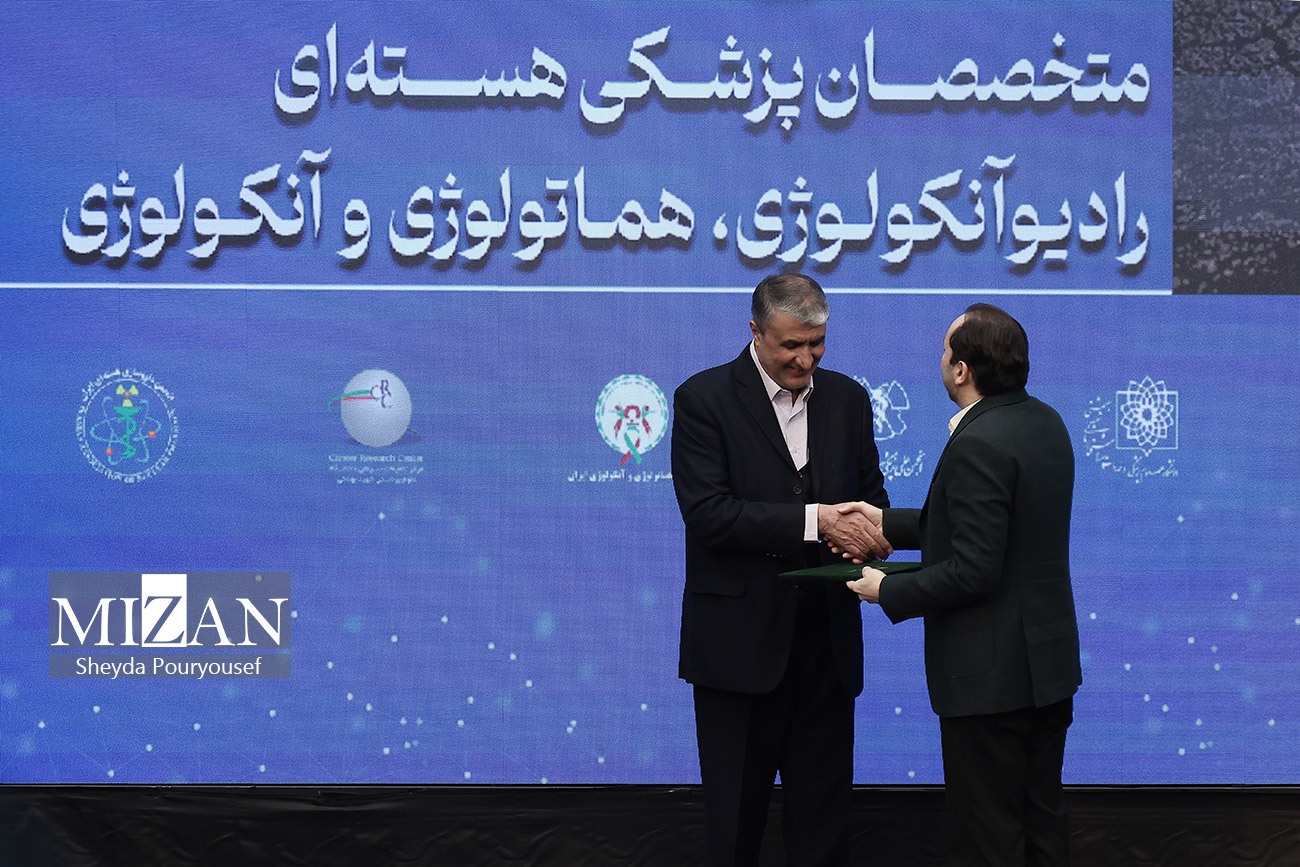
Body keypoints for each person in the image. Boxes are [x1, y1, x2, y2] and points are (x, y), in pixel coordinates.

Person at [843, 303, 1081, 867]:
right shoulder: (1044, 421)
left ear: (961, 369)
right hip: (1045, 673)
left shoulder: (978, 441)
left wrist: (887, 591)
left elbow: (975, 568)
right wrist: (884, 522)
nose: (940, 359)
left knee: (989, 839)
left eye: (945, 349)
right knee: (1042, 825)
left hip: (990, 683)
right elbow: (989, 525)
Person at [672, 273, 891, 866]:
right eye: (791, 345)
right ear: (755, 331)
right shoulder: (703, 399)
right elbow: (710, 515)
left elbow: (872, 498)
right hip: (738, 651)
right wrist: (817, 521)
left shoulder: (848, 399)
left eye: (817, 344)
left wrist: (874, 536)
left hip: (827, 650)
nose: (806, 359)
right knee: (735, 827)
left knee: (824, 828)